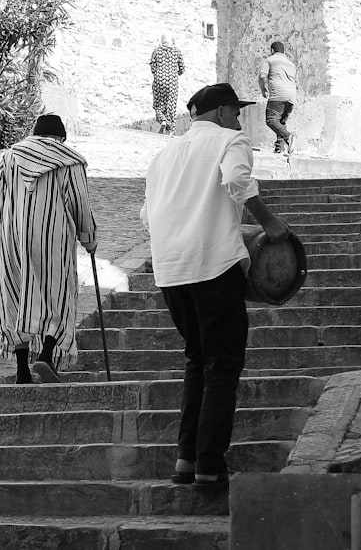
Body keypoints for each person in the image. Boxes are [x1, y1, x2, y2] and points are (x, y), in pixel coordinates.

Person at [140, 83, 290, 490]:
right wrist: (267, 221)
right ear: (223, 113)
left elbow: (147, 218)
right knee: (222, 367)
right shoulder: (231, 140)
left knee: (197, 362)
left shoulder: (163, 156)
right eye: (237, 112)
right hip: (214, 268)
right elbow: (237, 180)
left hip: (172, 273)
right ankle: (210, 465)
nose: (240, 120)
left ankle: (186, 460)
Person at [0, 114, 97, 385]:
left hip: (10, 239)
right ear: (60, 138)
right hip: (52, 240)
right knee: (57, 293)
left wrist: (2, 230)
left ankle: (22, 371)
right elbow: (79, 203)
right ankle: (47, 355)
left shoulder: (10, 157)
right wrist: (89, 238)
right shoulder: (70, 161)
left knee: (13, 295)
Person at [258, 41, 298, 154]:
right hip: (291, 97)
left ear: (272, 50)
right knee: (281, 122)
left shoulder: (270, 60)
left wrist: (263, 89)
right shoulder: (291, 64)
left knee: (271, 120)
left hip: (278, 96)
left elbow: (262, 76)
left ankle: (289, 136)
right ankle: (279, 148)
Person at [149, 33, 185, 134]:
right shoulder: (177, 51)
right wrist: (174, 74)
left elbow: (153, 68)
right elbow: (182, 69)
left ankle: (163, 120)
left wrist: (159, 75)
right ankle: (171, 130)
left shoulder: (156, 51)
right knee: (171, 105)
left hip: (159, 81)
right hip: (172, 81)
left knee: (158, 104)